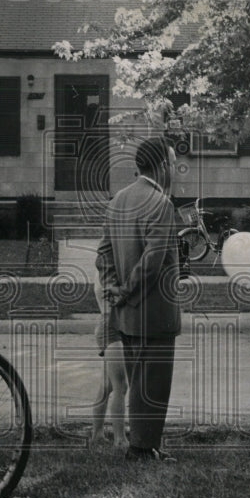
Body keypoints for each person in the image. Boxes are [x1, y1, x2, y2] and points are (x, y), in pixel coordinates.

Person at [95, 136, 182, 462]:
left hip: (127, 313)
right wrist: (128, 289)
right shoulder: (160, 204)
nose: (175, 171)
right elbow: (153, 259)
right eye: (173, 164)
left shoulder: (117, 200)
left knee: (139, 384)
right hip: (155, 311)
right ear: (161, 166)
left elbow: (103, 253)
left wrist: (113, 288)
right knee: (154, 384)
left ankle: (144, 446)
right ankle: (143, 449)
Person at [90, 271, 128, 449]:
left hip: (114, 326)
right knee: (120, 384)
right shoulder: (106, 271)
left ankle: (97, 434)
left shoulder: (106, 267)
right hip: (110, 327)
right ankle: (120, 440)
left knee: (107, 385)